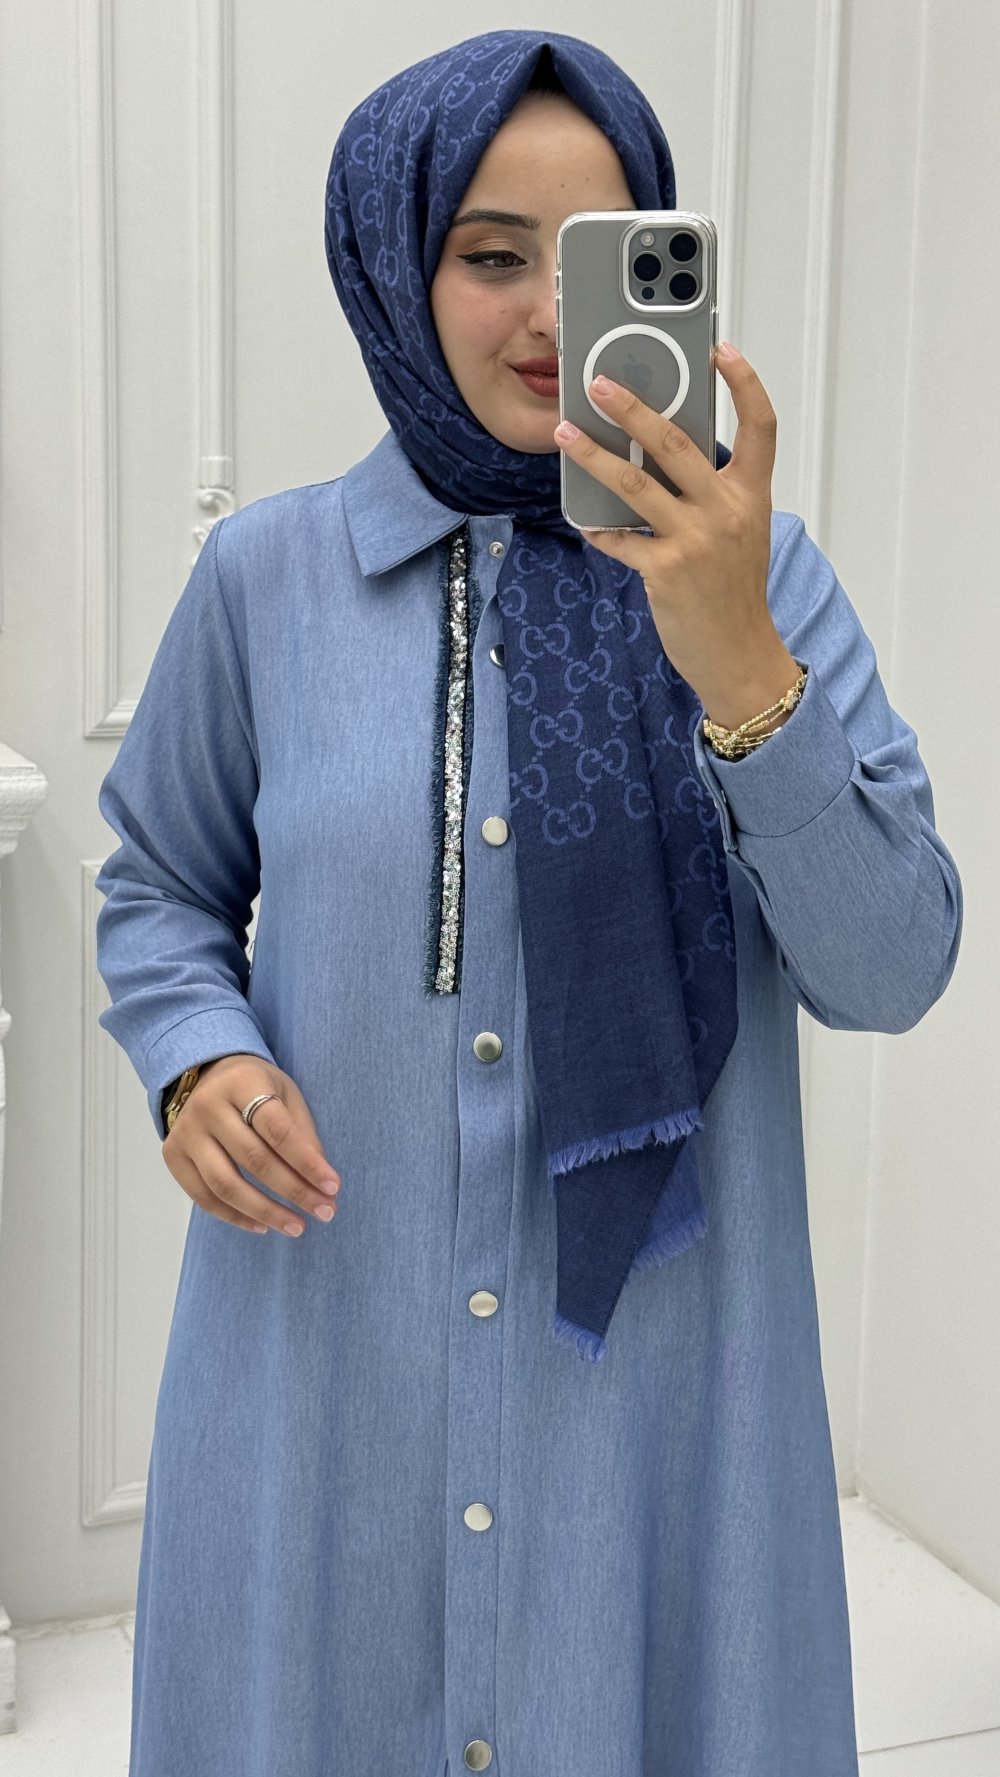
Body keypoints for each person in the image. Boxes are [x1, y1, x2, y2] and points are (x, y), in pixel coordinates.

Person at [94, 29, 963, 1777]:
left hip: (656, 1407)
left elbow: (894, 964)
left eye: (600, 258)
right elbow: (160, 885)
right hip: (329, 1377)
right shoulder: (265, 580)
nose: (554, 317)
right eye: (495, 255)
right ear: (396, 266)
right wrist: (196, 1059)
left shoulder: (766, 577)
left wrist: (736, 659)